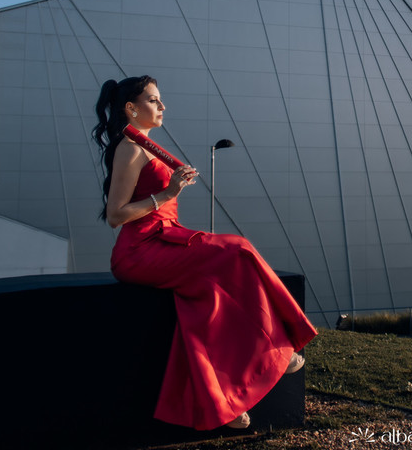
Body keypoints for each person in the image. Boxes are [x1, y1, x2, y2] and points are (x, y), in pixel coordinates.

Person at [93, 75, 317, 431]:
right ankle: (274, 351)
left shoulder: (146, 144)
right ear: (131, 109)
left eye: (161, 99)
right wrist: (168, 193)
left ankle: (225, 397)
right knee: (237, 250)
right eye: (153, 100)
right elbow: (115, 216)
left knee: (215, 291)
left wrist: (172, 187)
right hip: (141, 251)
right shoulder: (131, 148)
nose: (162, 106)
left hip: (167, 239)